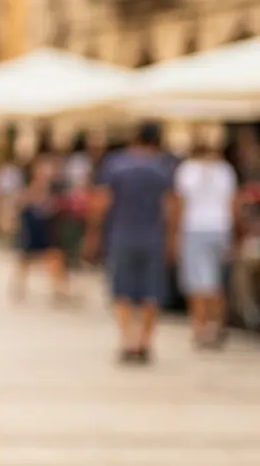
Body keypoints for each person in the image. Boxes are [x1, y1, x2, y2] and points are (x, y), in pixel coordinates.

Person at [85, 123, 176, 364]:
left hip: (122, 234)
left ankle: (127, 340)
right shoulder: (163, 166)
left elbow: (102, 202)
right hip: (153, 236)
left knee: (122, 288)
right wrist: (172, 240)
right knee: (151, 290)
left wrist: (93, 234)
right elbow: (170, 207)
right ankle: (145, 342)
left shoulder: (116, 164)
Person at [173, 143, 237, 348]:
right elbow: (232, 202)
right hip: (220, 227)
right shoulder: (225, 170)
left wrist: (176, 233)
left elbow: (180, 203)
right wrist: (232, 232)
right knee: (216, 281)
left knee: (198, 283)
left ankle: (200, 328)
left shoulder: (187, 170)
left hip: (194, 228)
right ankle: (215, 326)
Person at [11, 151, 69, 302]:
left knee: (55, 257)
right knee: (25, 259)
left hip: (46, 228)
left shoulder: (54, 188)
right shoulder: (30, 187)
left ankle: (58, 289)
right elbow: (20, 205)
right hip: (31, 228)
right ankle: (19, 288)